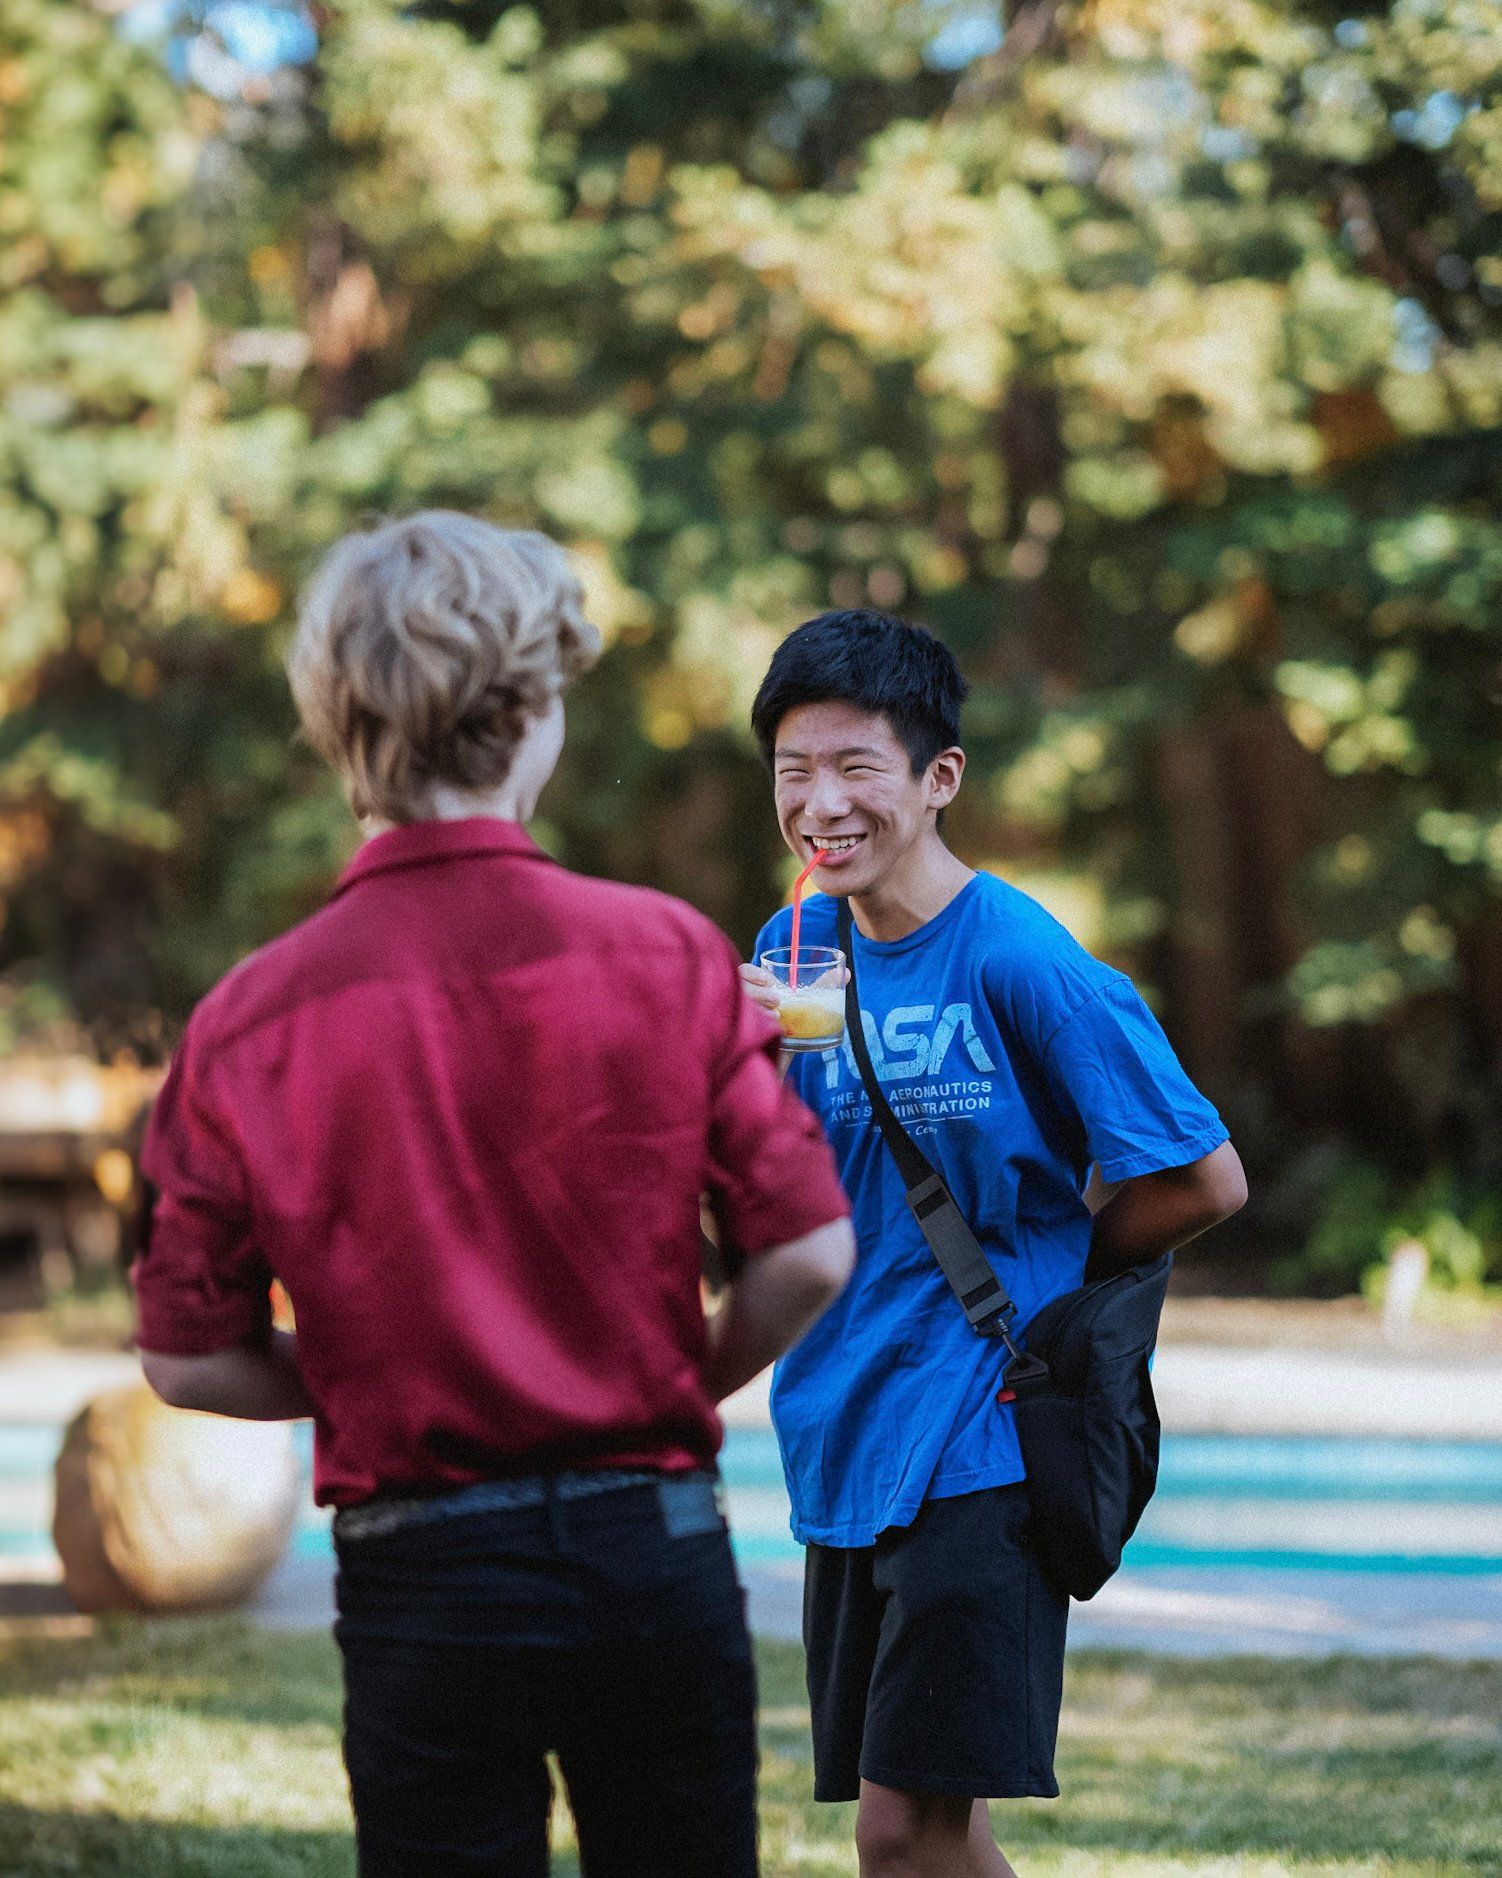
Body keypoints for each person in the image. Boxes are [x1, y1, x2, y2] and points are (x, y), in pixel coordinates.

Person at [131, 512, 856, 1878]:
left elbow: (182, 1351)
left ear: (334, 723)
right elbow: (811, 1252)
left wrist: (358, 1371)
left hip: (420, 1585)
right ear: (532, 713)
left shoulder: (248, 1016)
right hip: (647, 1544)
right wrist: (670, 1376)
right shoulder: (663, 952)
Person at [742, 608, 1247, 1878]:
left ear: (937, 779)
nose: (821, 804)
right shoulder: (794, 951)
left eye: (856, 766)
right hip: (844, 1425)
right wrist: (731, 1068)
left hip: (982, 1433)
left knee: (897, 1831)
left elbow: (1200, 1175)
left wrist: (1054, 1272)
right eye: (794, 771)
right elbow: (799, 1167)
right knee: (927, 1830)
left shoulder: (1019, 958)